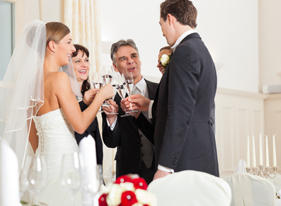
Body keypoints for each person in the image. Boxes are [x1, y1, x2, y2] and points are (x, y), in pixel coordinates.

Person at [0, 21, 114, 205]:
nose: (72, 48)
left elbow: (32, 136)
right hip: (64, 163)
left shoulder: (30, 84)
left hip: (42, 164)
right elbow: (81, 124)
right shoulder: (59, 78)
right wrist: (101, 96)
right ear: (52, 46)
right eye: (68, 42)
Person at [126, 0, 219, 179]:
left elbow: (180, 112)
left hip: (185, 160)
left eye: (160, 24)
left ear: (170, 18)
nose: (162, 31)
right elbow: (191, 105)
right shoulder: (201, 50)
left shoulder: (185, 52)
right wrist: (150, 105)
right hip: (199, 155)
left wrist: (165, 165)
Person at [101, 39, 158, 184]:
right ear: (115, 67)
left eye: (133, 56)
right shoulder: (111, 99)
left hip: (159, 169)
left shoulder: (160, 91)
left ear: (139, 60)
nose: (130, 61)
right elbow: (110, 142)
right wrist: (111, 119)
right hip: (127, 172)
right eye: (123, 59)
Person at [70, 44, 103, 166]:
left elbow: (96, 139)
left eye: (86, 60)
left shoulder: (89, 95)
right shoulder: (62, 95)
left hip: (92, 166)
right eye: (77, 61)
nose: (84, 65)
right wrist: (83, 103)